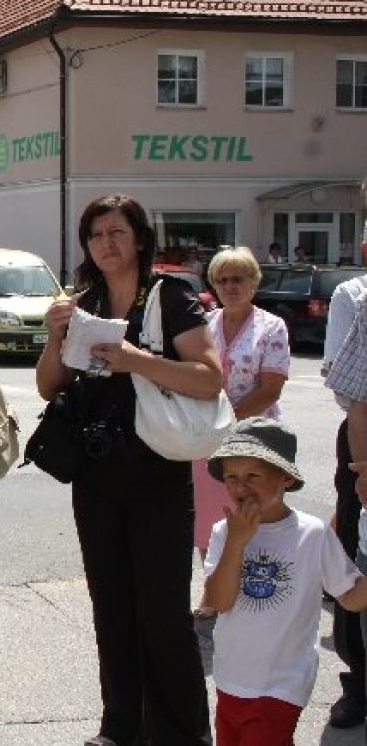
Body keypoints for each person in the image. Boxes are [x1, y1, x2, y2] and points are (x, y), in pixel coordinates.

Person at [35, 193, 221, 746]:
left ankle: (182, 734)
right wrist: (55, 337)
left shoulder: (169, 295)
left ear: (139, 238)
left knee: (162, 614)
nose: (106, 244)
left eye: (116, 232)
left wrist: (136, 359)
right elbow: (48, 386)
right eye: (95, 235)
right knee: (111, 607)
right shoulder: (84, 302)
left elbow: (209, 379)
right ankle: (121, 725)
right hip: (96, 474)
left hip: (156, 471)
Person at [203, 418, 367, 746]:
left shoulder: (313, 534)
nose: (240, 487)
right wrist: (237, 542)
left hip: (282, 683)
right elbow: (218, 602)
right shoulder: (224, 531)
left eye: (253, 476)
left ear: (285, 478)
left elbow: (350, 597)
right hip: (231, 675)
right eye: (231, 477)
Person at [191, 248, 289, 613]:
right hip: (207, 438)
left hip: (253, 440)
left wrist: (226, 417)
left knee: (252, 513)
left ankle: (254, 592)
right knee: (208, 518)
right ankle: (213, 591)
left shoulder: (272, 327)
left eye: (238, 279)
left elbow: (270, 389)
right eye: (222, 280)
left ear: (253, 282)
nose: (230, 286)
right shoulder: (204, 323)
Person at [322, 224, 367, 728]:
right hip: (362, 442)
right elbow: (346, 386)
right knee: (356, 557)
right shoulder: (353, 296)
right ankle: (359, 681)